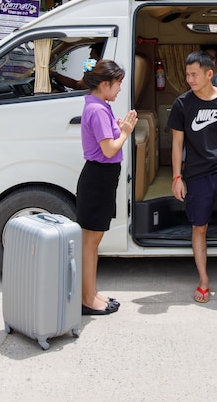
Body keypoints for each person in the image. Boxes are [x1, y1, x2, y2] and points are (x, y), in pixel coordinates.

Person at [168, 50, 217, 303]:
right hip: (196, 174)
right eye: (187, 74)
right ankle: (203, 281)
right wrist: (177, 177)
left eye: (194, 74)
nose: (189, 79)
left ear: (209, 74)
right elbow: (176, 144)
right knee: (199, 227)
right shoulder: (183, 104)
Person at [77, 59, 137, 316]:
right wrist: (126, 131)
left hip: (101, 177)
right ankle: (87, 299)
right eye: (118, 84)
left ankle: (90, 293)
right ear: (104, 84)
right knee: (91, 242)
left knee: (92, 241)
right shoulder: (98, 110)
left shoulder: (98, 105)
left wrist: (119, 127)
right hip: (98, 179)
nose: (120, 89)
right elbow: (109, 148)